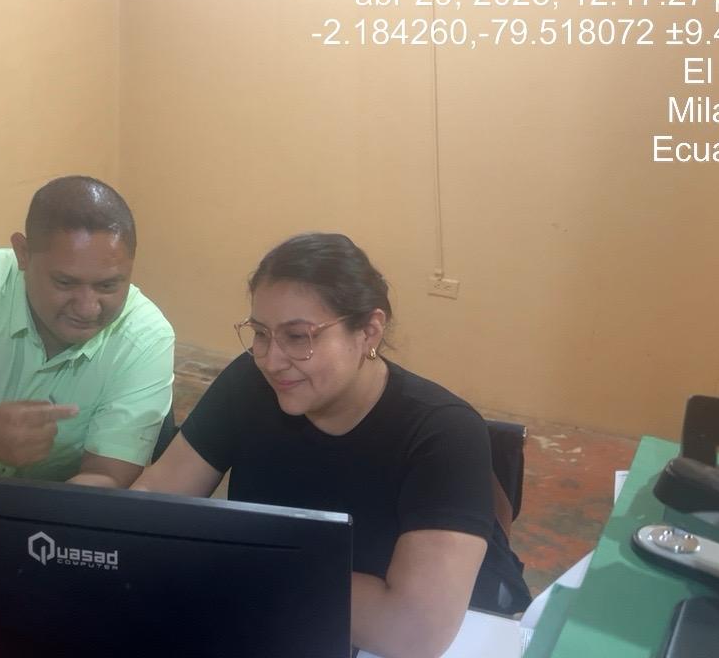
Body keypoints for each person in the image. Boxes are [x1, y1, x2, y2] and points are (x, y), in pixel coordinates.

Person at [132, 233, 530, 658]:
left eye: (298, 336)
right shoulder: (249, 384)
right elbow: (153, 500)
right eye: (261, 333)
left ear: (369, 331)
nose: (271, 360)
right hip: (280, 620)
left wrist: (238, 562)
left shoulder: (443, 433)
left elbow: (414, 632)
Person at [0, 175, 174, 489]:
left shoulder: (146, 338)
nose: (87, 308)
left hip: (58, 510)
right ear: (22, 253)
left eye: (108, 285)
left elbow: (107, 476)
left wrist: (31, 520)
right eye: (65, 282)